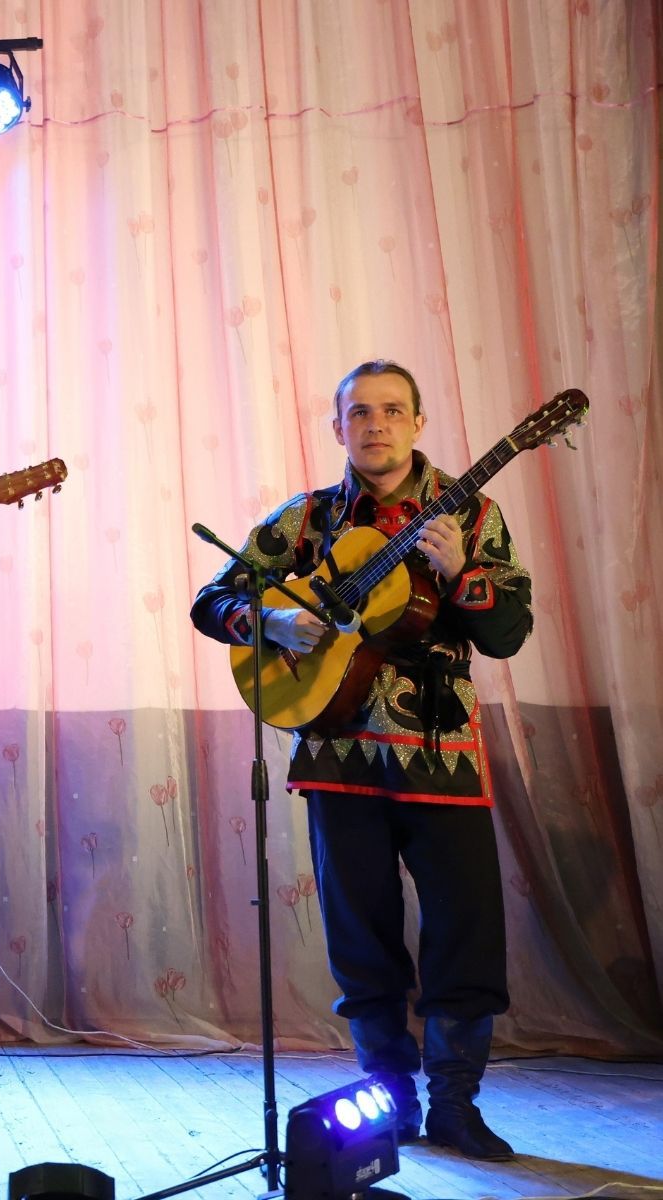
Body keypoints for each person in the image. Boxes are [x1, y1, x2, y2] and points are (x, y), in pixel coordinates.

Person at [190, 359, 533, 1160]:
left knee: (464, 930)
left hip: (441, 752)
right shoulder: (306, 519)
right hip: (335, 752)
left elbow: (508, 633)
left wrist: (460, 573)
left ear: (417, 423)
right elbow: (213, 600)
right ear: (337, 426)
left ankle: (454, 1105)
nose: (375, 425)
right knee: (359, 935)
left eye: (391, 411)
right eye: (359, 413)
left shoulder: (471, 514)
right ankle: (388, 1101)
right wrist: (272, 622)